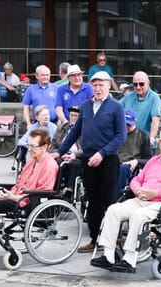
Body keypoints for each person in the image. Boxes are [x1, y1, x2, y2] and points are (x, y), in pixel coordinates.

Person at [91, 129, 161, 273]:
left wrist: (155, 193)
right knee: (113, 209)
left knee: (138, 215)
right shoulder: (153, 161)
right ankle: (108, 255)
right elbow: (136, 180)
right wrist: (137, 190)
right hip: (140, 198)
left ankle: (130, 259)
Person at [55, 71, 126, 253]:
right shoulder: (86, 106)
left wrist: (102, 153)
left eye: (101, 85)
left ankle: (114, 241)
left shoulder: (116, 106)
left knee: (109, 202)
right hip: (88, 160)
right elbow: (74, 132)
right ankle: (95, 239)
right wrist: (59, 151)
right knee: (92, 201)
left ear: (109, 85)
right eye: (95, 85)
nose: (98, 88)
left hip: (108, 159)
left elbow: (121, 135)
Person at [0, 129, 58, 262]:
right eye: (28, 145)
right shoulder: (32, 161)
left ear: (44, 147)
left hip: (29, 204)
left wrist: (14, 197)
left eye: (33, 146)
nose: (29, 149)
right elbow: (20, 183)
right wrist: (8, 194)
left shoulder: (49, 165)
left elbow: (43, 192)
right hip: (18, 198)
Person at [116, 109, 153, 199]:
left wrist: (136, 161)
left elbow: (149, 160)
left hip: (130, 167)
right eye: (124, 124)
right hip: (114, 162)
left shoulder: (143, 136)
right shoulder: (115, 133)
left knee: (123, 168)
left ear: (135, 122)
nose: (126, 127)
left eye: (129, 124)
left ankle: (117, 198)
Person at [50, 105, 83, 200]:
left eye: (76, 116)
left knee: (75, 164)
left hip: (76, 156)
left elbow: (86, 148)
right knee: (56, 162)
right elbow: (52, 146)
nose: (73, 118)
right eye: (71, 115)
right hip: (61, 154)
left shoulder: (85, 129)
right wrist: (59, 153)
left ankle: (70, 190)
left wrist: (74, 155)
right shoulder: (61, 127)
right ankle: (54, 189)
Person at [121, 71, 161, 145]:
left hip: (146, 142)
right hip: (128, 142)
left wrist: (151, 137)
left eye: (141, 84)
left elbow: (155, 120)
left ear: (148, 83)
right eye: (135, 84)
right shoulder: (127, 97)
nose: (138, 87)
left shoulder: (154, 98)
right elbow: (116, 110)